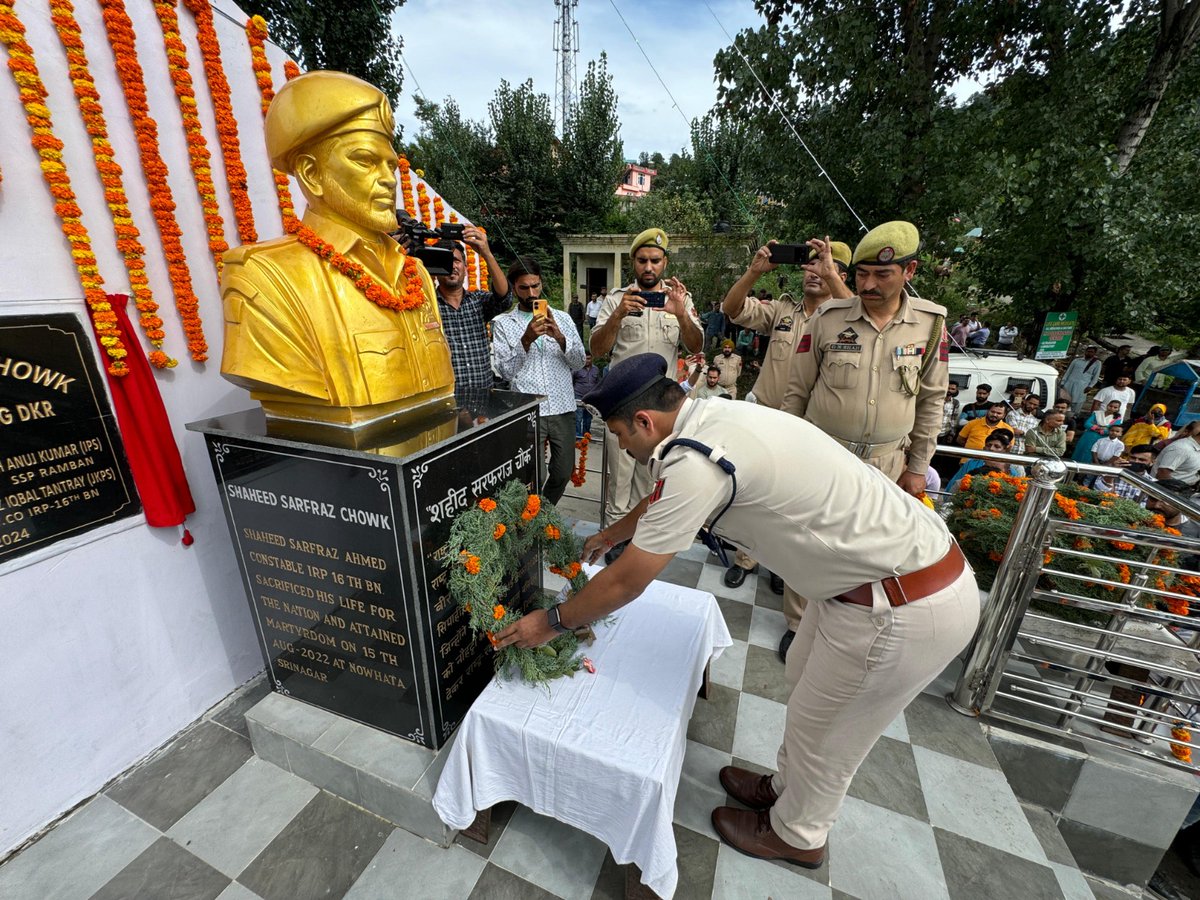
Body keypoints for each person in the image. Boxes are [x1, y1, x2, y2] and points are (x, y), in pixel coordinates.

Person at [496, 353, 979, 870]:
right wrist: (614, 532)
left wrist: (553, 622)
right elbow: (662, 500)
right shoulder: (707, 419)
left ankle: (798, 833)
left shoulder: (695, 460)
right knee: (809, 694)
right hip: (862, 586)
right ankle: (786, 790)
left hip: (903, 604)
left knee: (831, 734)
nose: (619, 445)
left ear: (644, 421)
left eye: (617, 434)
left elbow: (628, 578)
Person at [221, 70, 455, 425]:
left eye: (391, 165)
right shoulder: (263, 275)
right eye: (365, 161)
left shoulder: (416, 274)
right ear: (312, 174)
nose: (389, 179)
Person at [718, 238, 854, 656]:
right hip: (766, 422)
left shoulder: (846, 317)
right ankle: (747, 558)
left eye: (822, 266)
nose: (812, 272)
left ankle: (788, 588)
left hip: (812, 432)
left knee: (799, 510)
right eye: (808, 266)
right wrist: (755, 271)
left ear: (839, 273)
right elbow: (732, 309)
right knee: (753, 494)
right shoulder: (782, 310)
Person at [782, 221, 950, 498]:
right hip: (822, 458)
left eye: (882, 274)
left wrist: (918, 467)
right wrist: (789, 451)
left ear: (909, 270)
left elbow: (932, 399)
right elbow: (796, 391)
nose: (869, 285)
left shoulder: (930, 324)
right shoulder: (827, 318)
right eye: (862, 274)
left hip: (887, 467)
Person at [590, 227, 702, 540]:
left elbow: (695, 345)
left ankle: (640, 542)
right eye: (642, 260)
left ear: (664, 262)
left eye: (655, 260)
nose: (648, 267)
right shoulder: (616, 300)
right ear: (633, 262)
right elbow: (597, 350)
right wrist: (618, 317)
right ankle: (613, 545)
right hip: (622, 409)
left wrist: (681, 314)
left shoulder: (680, 298)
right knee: (620, 482)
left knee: (653, 480)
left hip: (662, 411)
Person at [490, 257, 585, 504]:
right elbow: (505, 371)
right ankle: (530, 522)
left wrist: (562, 339)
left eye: (536, 286)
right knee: (532, 474)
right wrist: (526, 339)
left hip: (562, 405)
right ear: (513, 288)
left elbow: (579, 361)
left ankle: (542, 515)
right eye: (524, 287)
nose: (532, 293)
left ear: (541, 284)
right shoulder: (502, 323)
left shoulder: (562, 318)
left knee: (563, 471)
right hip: (527, 409)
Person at [434, 237, 511, 411]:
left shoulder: (478, 301)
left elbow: (504, 298)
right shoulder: (426, 306)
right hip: (446, 406)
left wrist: (486, 252)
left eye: (456, 261)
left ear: (465, 268)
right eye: (445, 261)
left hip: (482, 404)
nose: (452, 266)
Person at [945, 430, 1018, 493]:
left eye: (997, 446)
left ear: (1004, 451)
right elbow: (952, 488)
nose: (991, 448)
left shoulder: (1011, 471)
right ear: (983, 448)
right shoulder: (971, 463)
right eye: (989, 445)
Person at [1059, 345, 1101, 415]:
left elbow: (1096, 376)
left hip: (1083, 386)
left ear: (1094, 353)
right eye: (1088, 351)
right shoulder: (1076, 360)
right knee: (1065, 400)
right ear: (1085, 351)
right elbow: (1068, 372)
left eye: (1092, 352)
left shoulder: (1097, 363)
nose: (1089, 353)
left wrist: (1090, 386)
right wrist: (1063, 382)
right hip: (1069, 383)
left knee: (1078, 402)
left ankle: (1074, 417)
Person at [572, 352, 603, 438]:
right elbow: (571, 381)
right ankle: (577, 436)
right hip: (578, 396)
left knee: (588, 418)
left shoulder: (596, 369)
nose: (587, 361)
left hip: (590, 398)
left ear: (592, 358)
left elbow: (598, 383)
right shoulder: (577, 369)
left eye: (588, 358)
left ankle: (586, 435)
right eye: (585, 358)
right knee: (578, 418)